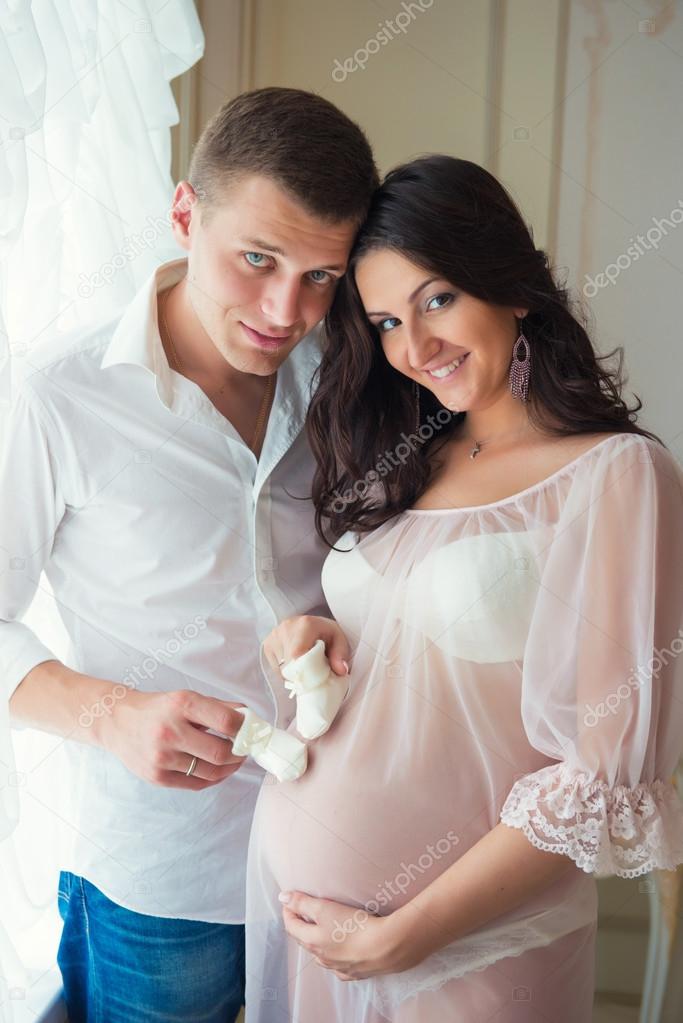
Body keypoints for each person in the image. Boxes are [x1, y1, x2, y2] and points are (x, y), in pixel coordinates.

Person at [244, 155, 683, 1022]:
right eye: (385, 321)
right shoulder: (404, 463)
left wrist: (407, 932)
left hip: (476, 952)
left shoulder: (615, 476)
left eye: (437, 297)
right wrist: (304, 633)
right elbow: (397, 653)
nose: (416, 346)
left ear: (512, 287)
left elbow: (600, 774)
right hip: (315, 940)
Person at [1, 87, 377, 1022]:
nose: (284, 308)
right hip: (164, 878)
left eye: (321, 276)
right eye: (256, 259)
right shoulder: (58, 396)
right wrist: (113, 714)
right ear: (183, 214)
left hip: (342, 850)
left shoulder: (353, 372)